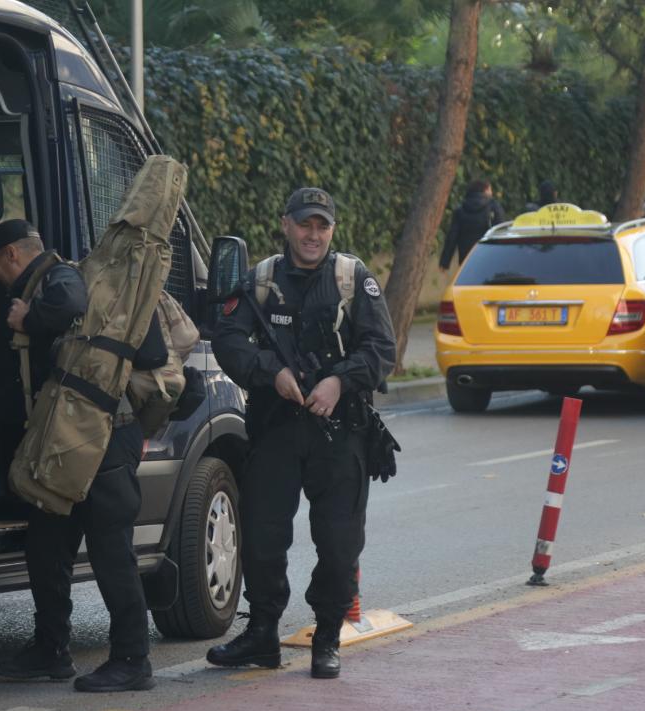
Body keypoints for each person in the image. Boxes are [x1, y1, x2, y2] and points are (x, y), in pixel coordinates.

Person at [0, 219, 154, 693]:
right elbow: (46, 376)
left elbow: (71, 302)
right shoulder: (42, 285)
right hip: (70, 442)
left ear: (11, 256)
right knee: (46, 549)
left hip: (104, 439)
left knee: (111, 553)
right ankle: (51, 650)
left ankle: (133, 660)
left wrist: (28, 318)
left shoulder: (60, 278)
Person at [208, 187, 396, 679]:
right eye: (304, 224)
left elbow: (381, 349)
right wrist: (270, 372)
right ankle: (262, 634)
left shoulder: (352, 278)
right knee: (264, 537)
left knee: (338, 543)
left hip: (340, 430)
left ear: (332, 229)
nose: (313, 234)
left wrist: (339, 381)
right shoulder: (263, 279)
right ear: (286, 225)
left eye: (322, 226)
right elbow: (227, 338)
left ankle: (327, 636)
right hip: (277, 429)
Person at [440, 179, 506, 270]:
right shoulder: (493, 207)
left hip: (466, 260)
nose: (491, 193)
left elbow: (452, 237)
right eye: (490, 190)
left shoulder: (460, 210)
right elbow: (501, 232)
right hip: (490, 258)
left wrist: (445, 262)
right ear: (486, 190)